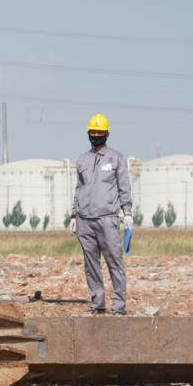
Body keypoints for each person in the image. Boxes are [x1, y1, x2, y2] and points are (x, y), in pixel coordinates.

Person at [70, 113, 131, 315]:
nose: (96, 135)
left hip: (107, 218)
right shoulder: (82, 160)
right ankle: (97, 303)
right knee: (91, 264)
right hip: (84, 220)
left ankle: (119, 305)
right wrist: (73, 214)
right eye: (93, 132)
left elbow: (124, 187)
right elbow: (79, 188)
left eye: (99, 132)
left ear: (107, 134)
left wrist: (127, 212)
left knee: (114, 261)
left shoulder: (116, 158)